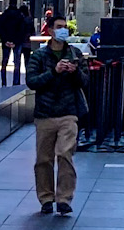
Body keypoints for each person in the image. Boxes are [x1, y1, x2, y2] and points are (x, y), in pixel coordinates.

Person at [26, 20, 87, 216]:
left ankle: (64, 199)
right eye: (59, 27)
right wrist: (54, 72)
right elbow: (32, 82)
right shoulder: (39, 55)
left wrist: (75, 71)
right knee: (44, 159)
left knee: (65, 154)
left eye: (65, 27)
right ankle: (46, 198)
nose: (63, 30)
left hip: (69, 112)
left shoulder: (75, 54)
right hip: (45, 114)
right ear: (50, 30)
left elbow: (86, 81)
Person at [0, 0, 29, 88]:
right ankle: (16, 81)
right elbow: (22, 30)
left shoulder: (4, 15)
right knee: (17, 62)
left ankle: (4, 82)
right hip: (17, 42)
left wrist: (5, 40)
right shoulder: (20, 16)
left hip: (5, 42)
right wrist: (15, 41)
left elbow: (0, 28)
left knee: (4, 62)